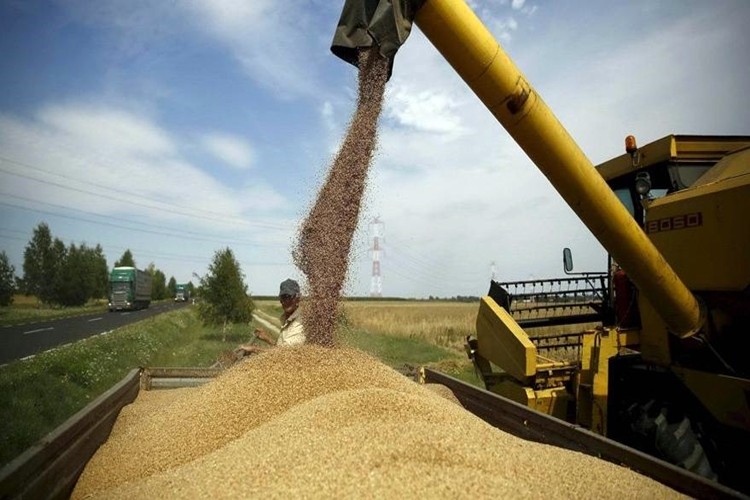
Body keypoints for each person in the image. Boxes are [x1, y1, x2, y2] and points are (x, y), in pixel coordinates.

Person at [238, 278, 305, 355]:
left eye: (289, 296)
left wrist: (254, 349)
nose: (286, 301)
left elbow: (283, 354)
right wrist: (267, 338)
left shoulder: (300, 322)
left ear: (298, 298)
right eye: (283, 297)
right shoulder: (288, 319)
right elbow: (281, 347)